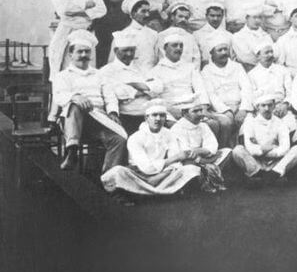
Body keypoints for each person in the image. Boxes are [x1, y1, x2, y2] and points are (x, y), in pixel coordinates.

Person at [53, 30, 127, 172]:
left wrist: (113, 112)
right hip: (73, 121)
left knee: (119, 140)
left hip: (99, 119)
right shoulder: (62, 76)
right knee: (74, 105)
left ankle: (108, 177)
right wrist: (75, 97)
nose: (83, 55)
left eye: (87, 51)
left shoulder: (99, 74)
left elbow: (109, 96)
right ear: (70, 54)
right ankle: (72, 151)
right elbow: (59, 96)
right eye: (79, 52)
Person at [100, 101, 201, 197]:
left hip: (163, 174)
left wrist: (160, 175)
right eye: (154, 115)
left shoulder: (169, 134)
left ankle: (146, 193)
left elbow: (175, 163)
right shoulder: (135, 138)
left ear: (165, 118)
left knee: (191, 169)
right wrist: (177, 157)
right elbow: (147, 168)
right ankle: (159, 192)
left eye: (162, 115)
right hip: (139, 175)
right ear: (146, 118)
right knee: (116, 172)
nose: (158, 119)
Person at [50, 0, 107, 80]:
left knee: (88, 69)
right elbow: (63, 9)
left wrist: (79, 12)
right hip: (67, 32)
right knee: (67, 69)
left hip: (87, 31)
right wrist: (85, 5)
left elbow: (101, 9)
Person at [232, 93, 297, 182]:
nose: (267, 109)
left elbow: (285, 147)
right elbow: (250, 148)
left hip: (276, 162)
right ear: (258, 107)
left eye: (270, 105)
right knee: (237, 150)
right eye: (263, 105)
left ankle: (274, 174)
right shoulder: (250, 123)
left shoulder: (280, 123)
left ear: (274, 106)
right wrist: (264, 149)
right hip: (257, 162)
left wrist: (266, 151)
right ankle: (258, 173)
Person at [100, 31, 161, 135]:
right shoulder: (107, 71)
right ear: (116, 50)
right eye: (125, 50)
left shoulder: (141, 69)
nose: (129, 54)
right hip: (127, 116)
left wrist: (133, 85)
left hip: (149, 115)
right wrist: (142, 90)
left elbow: (158, 86)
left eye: (132, 50)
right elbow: (116, 93)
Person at [146, 34, 212, 129]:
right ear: (165, 48)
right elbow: (154, 97)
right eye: (175, 45)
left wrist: (204, 107)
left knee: (212, 124)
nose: (178, 48)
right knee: (179, 128)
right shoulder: (155, 71)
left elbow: (200, 88)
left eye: (181, 46)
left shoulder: (190, 67)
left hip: (191, 108)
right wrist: (169, 109)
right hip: (169, 110)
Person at [200, 32, 251, 148]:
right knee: (225, 122)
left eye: (225, 49)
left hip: (240, 107)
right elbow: (211, 94)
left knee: (249, 122)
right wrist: (226, 111)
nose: (224, 53)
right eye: (220, 50)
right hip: (219, 110)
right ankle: (225, 149)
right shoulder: (206, 71)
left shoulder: (237, 67)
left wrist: (243, 109)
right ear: (212, 53)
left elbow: (247, 88)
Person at [170, 98, 232, 193]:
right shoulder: (177, 129)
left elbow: (212, 145)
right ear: (184, 113)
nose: (200, 114)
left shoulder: (203, 125)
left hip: (205, 158)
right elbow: (186, 153)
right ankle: (203, 179)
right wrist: (203, 156)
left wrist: (200, 152)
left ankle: (207, 174)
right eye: (195, 111)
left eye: (200, 110)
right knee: (190, 166)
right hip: (188, 162)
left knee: (227, 151)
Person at [247, 40, 296, 133]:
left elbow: (291, 92)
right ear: (258, 56)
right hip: (262, 110)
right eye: (266, 53)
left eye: (271, 52)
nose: (270, 55)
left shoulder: (283, 70)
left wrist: (285, 105)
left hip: (281, 108)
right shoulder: (251, 75)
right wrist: (265, 108)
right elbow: (251, 97)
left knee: (290, 124)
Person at [110, 0, 159, 73]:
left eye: (148, 11)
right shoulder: (122, 35)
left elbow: (157, 59)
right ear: (133, 14)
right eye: (143, 11)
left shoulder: (154, 34)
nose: (147, 15)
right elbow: (113, 63)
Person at [156, 3, 201, 68]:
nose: (183, 20)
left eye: (186, 18)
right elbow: (160, 57)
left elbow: (196, 59)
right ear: (172, 17)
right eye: (180, 16)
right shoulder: (162, 35)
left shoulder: (190, 37)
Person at [193, 0, 231, 65]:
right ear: (206, 16)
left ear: (222, 16)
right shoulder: (197, 35)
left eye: (218, 16)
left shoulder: (229, 36)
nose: (215, 19)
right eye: (212, 16)